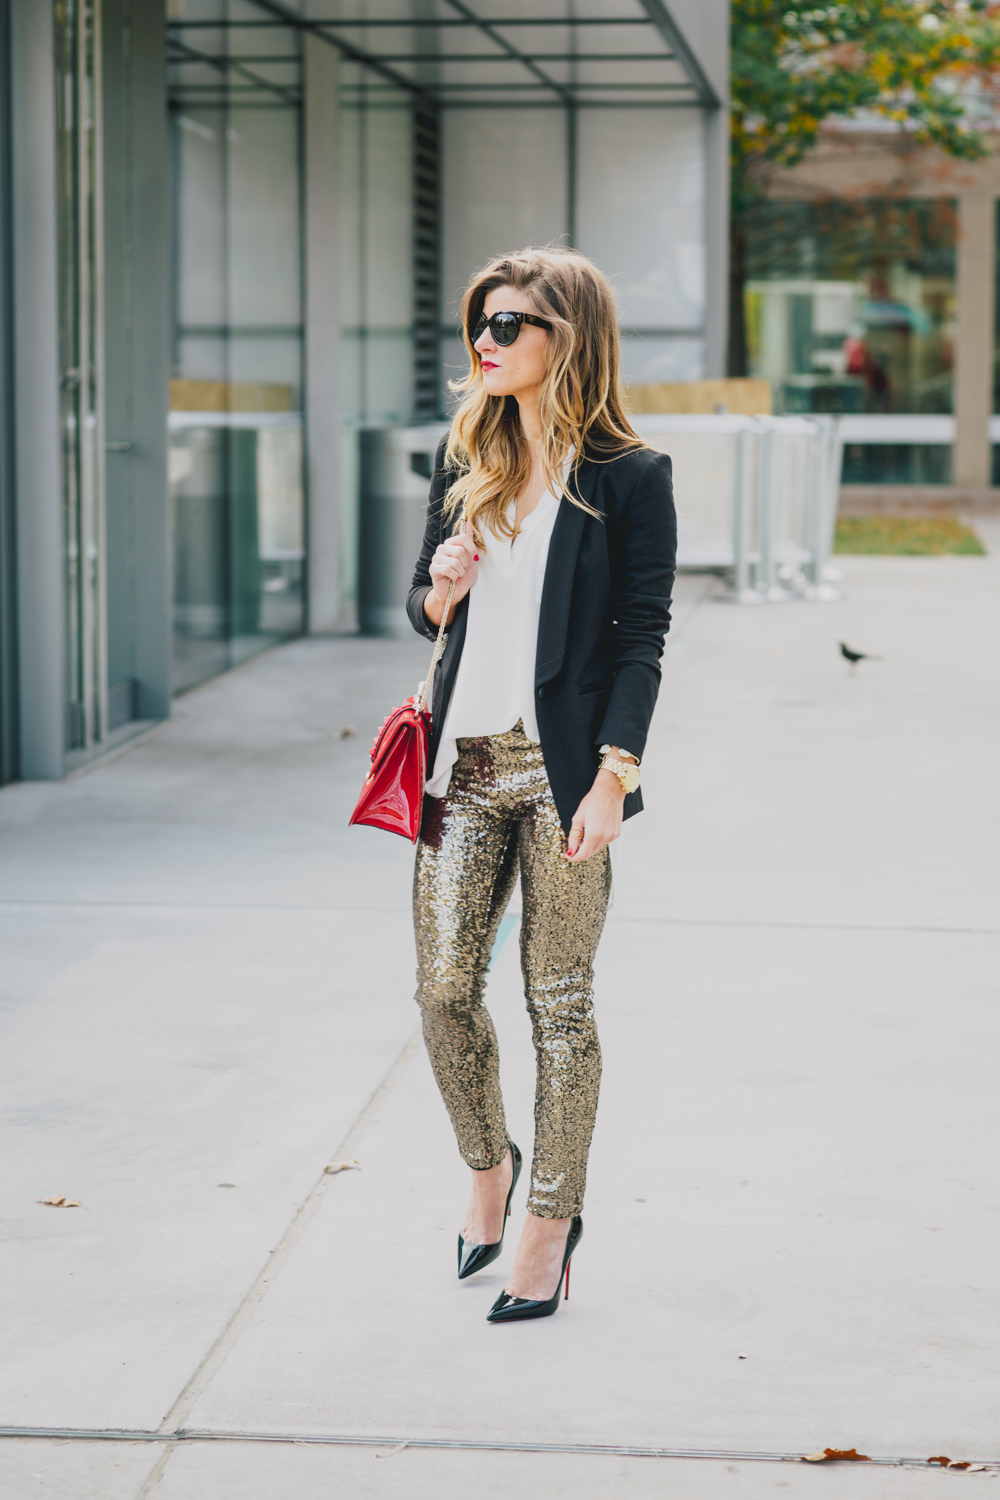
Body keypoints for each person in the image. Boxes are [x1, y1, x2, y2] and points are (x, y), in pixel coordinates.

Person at [407, 246, 676, 1323]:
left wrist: (612, 777)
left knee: (558, 1011)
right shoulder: (463, 450)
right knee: (441, 993)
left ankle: (550, 1227)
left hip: (564, 775)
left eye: (510, 324)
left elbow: (641, 637)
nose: (486, 340)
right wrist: (439, 589)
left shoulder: (628, 475)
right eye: (480, 320)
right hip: (463, 768)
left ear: (568, 336)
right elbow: (423, 614)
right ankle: (488, 1166)